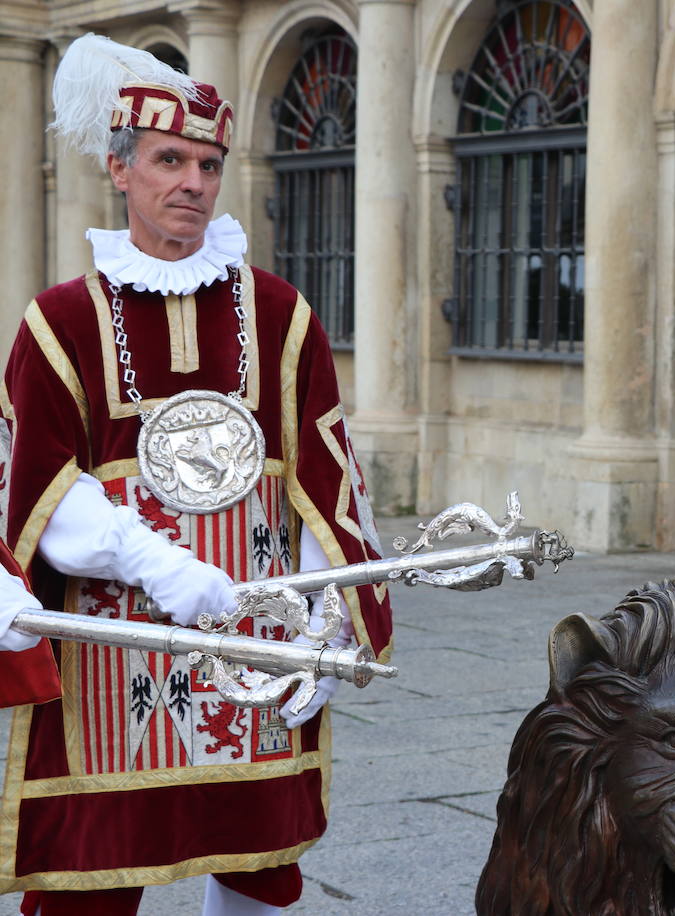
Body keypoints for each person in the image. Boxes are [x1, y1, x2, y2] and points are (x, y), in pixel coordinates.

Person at [0, 34, 393, 915]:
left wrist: (332, 616)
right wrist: (165, 568)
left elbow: (331, 488)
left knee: (259, 858)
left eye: (209, 164)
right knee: (92, 877)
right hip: (114, 653)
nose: (192, 183)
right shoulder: (59, 322)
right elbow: (37, 494)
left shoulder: (283, 314)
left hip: (254, 640)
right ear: (120, 170)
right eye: (169, 160)